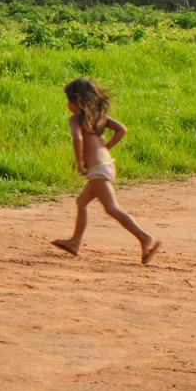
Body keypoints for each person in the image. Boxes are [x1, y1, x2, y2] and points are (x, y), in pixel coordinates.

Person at [51, 78, 160, 263]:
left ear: (75, 102)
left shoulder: (75, 119)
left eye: (68, 100)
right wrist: (106, 147)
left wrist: (80, 161)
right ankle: (75, 242)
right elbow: (121, 130)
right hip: (106, 165)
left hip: (96, 169)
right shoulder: (99, 117)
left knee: (111, 208)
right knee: (81, 202)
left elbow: (77, 138)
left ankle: (144, 237)